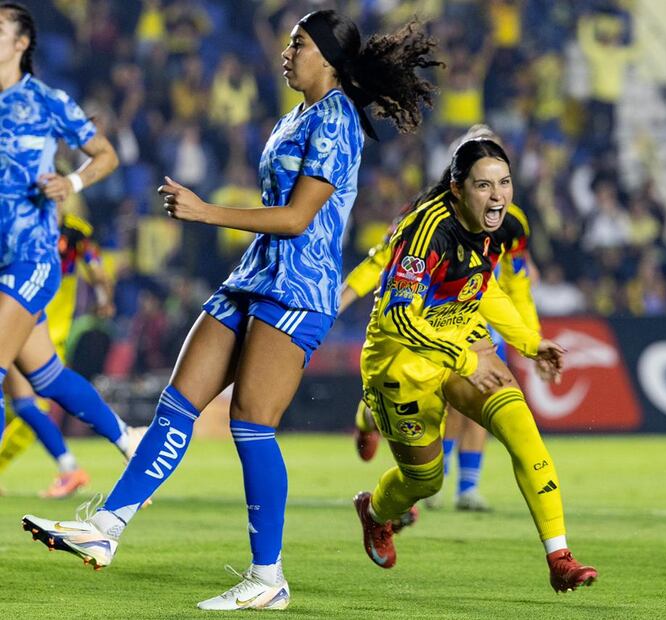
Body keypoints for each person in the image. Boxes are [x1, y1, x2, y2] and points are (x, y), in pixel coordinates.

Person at [23, 9, 440, 612]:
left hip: (297, 289)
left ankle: (268, 578)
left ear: (325, 56)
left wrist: (206, 211)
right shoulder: (295, 115)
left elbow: (298, 219)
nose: (286, 51)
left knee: (250, 422)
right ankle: (106, 527)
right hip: (252, 277)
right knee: (177, 401)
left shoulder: (337, 120)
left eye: (298, 43)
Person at [352, 138, 598, 592]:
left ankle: (560, 557)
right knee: (424, 481)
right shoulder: (426, 232)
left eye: (504, 183)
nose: (498, 195)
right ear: (457, 188)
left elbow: (483, 289)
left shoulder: (494, 228)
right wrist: (463, 359)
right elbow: (397, 315)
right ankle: (374, 512)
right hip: (401, 363)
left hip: (462, 336)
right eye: (484, 185)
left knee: (523, 431)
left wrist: (529, 342)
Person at [342, 124, 542, 512]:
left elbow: (517, 281)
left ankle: (467, 487)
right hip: (428, 320)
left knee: (484, 401)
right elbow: (382, 259)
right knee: (443, 401)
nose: (493, 189)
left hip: (481, 313)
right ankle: (376, 423)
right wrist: (345, 296)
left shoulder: (513, 223)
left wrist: (529, 335)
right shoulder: (424, 218)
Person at [0, 3, 119, 455]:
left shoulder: (46, 101)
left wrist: (70, 182)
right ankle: (125, 439)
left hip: (29, 256)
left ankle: (69, 466)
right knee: (45, 378)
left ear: (21, 43)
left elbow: (105, 154)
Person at [1, 212, 141, 499]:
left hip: (38, 312)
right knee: (39, 390)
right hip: (28, 302)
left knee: (31, 403)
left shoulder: (71, 231)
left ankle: (72, 465)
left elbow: (98, 269)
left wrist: (104, 299)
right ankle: (123, 438)